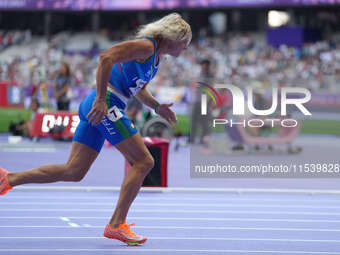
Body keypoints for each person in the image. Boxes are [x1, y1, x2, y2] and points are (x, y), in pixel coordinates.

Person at [0, 13, 191, 245]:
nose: (186, 49)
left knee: (74, 171)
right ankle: (116, 224)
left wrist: (157, 106)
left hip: (102, 104)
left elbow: (138, 91)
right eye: (185, 43)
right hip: (105, 104)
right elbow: (105, 57)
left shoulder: (156, 59)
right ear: (174, 37)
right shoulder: (146, 46)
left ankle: (9, 178)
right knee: (145, 162)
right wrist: (101, 99)